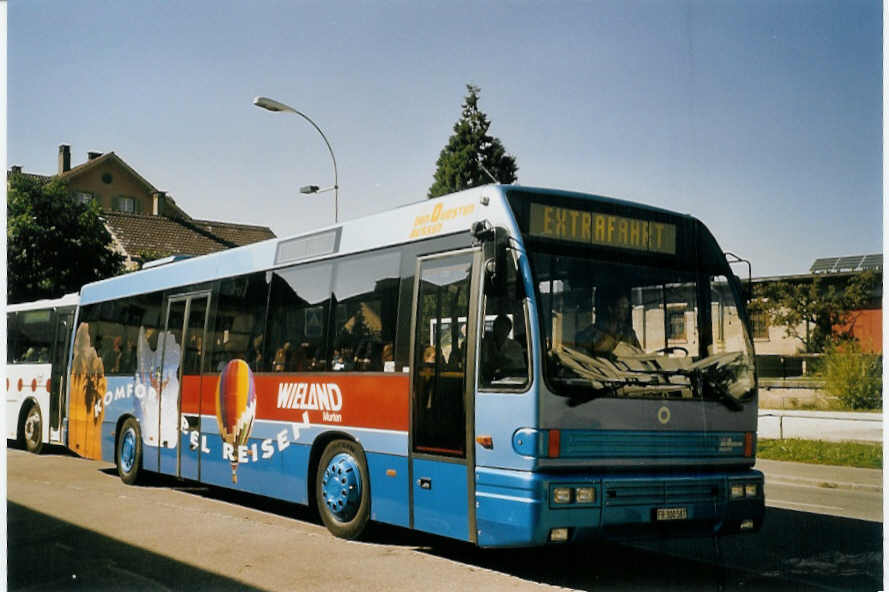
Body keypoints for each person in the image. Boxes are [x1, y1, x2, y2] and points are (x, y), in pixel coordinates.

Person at [577, 285, 641, 355]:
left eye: (627, 307)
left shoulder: (629, 334)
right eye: (622, 307)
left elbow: (640, 356)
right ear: (611, 309)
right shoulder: (591, 334)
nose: (626, 311)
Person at [482, 315, 526, 381]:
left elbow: (502, 361)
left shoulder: (515, 345)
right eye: (498, 327)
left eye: (504, 328)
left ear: (509, 331)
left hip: (513, 379)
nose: (500, 330)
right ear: (494, 328)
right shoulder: (487, 344)